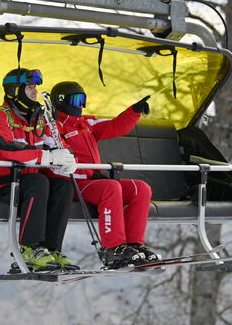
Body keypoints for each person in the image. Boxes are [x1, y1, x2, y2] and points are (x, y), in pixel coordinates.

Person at [0, 68, 79, 271]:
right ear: (15, 90)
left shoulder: (38, 120)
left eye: (35, 87)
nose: (35, 91)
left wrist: (66, 157)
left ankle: (51, 249)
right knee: (39, 182)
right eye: (29, 87)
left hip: (24, 182)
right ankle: (29, 249)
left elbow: (54, 142)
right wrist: (46, 157)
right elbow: (6, 150)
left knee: (62, 186)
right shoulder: (0, 118)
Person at [51, 81, 162, 268]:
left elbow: (114, 126)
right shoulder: (55, 128)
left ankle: (134, 244)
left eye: (83, 100)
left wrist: (134, 111)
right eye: (77, 100)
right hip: (71, 183)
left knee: (140, 188)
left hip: (93, 182)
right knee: (111, 187)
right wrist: (89, 173)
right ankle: (114, 248)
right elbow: (55, 165)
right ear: (62, 101)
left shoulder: (85, 123)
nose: (80, 105)